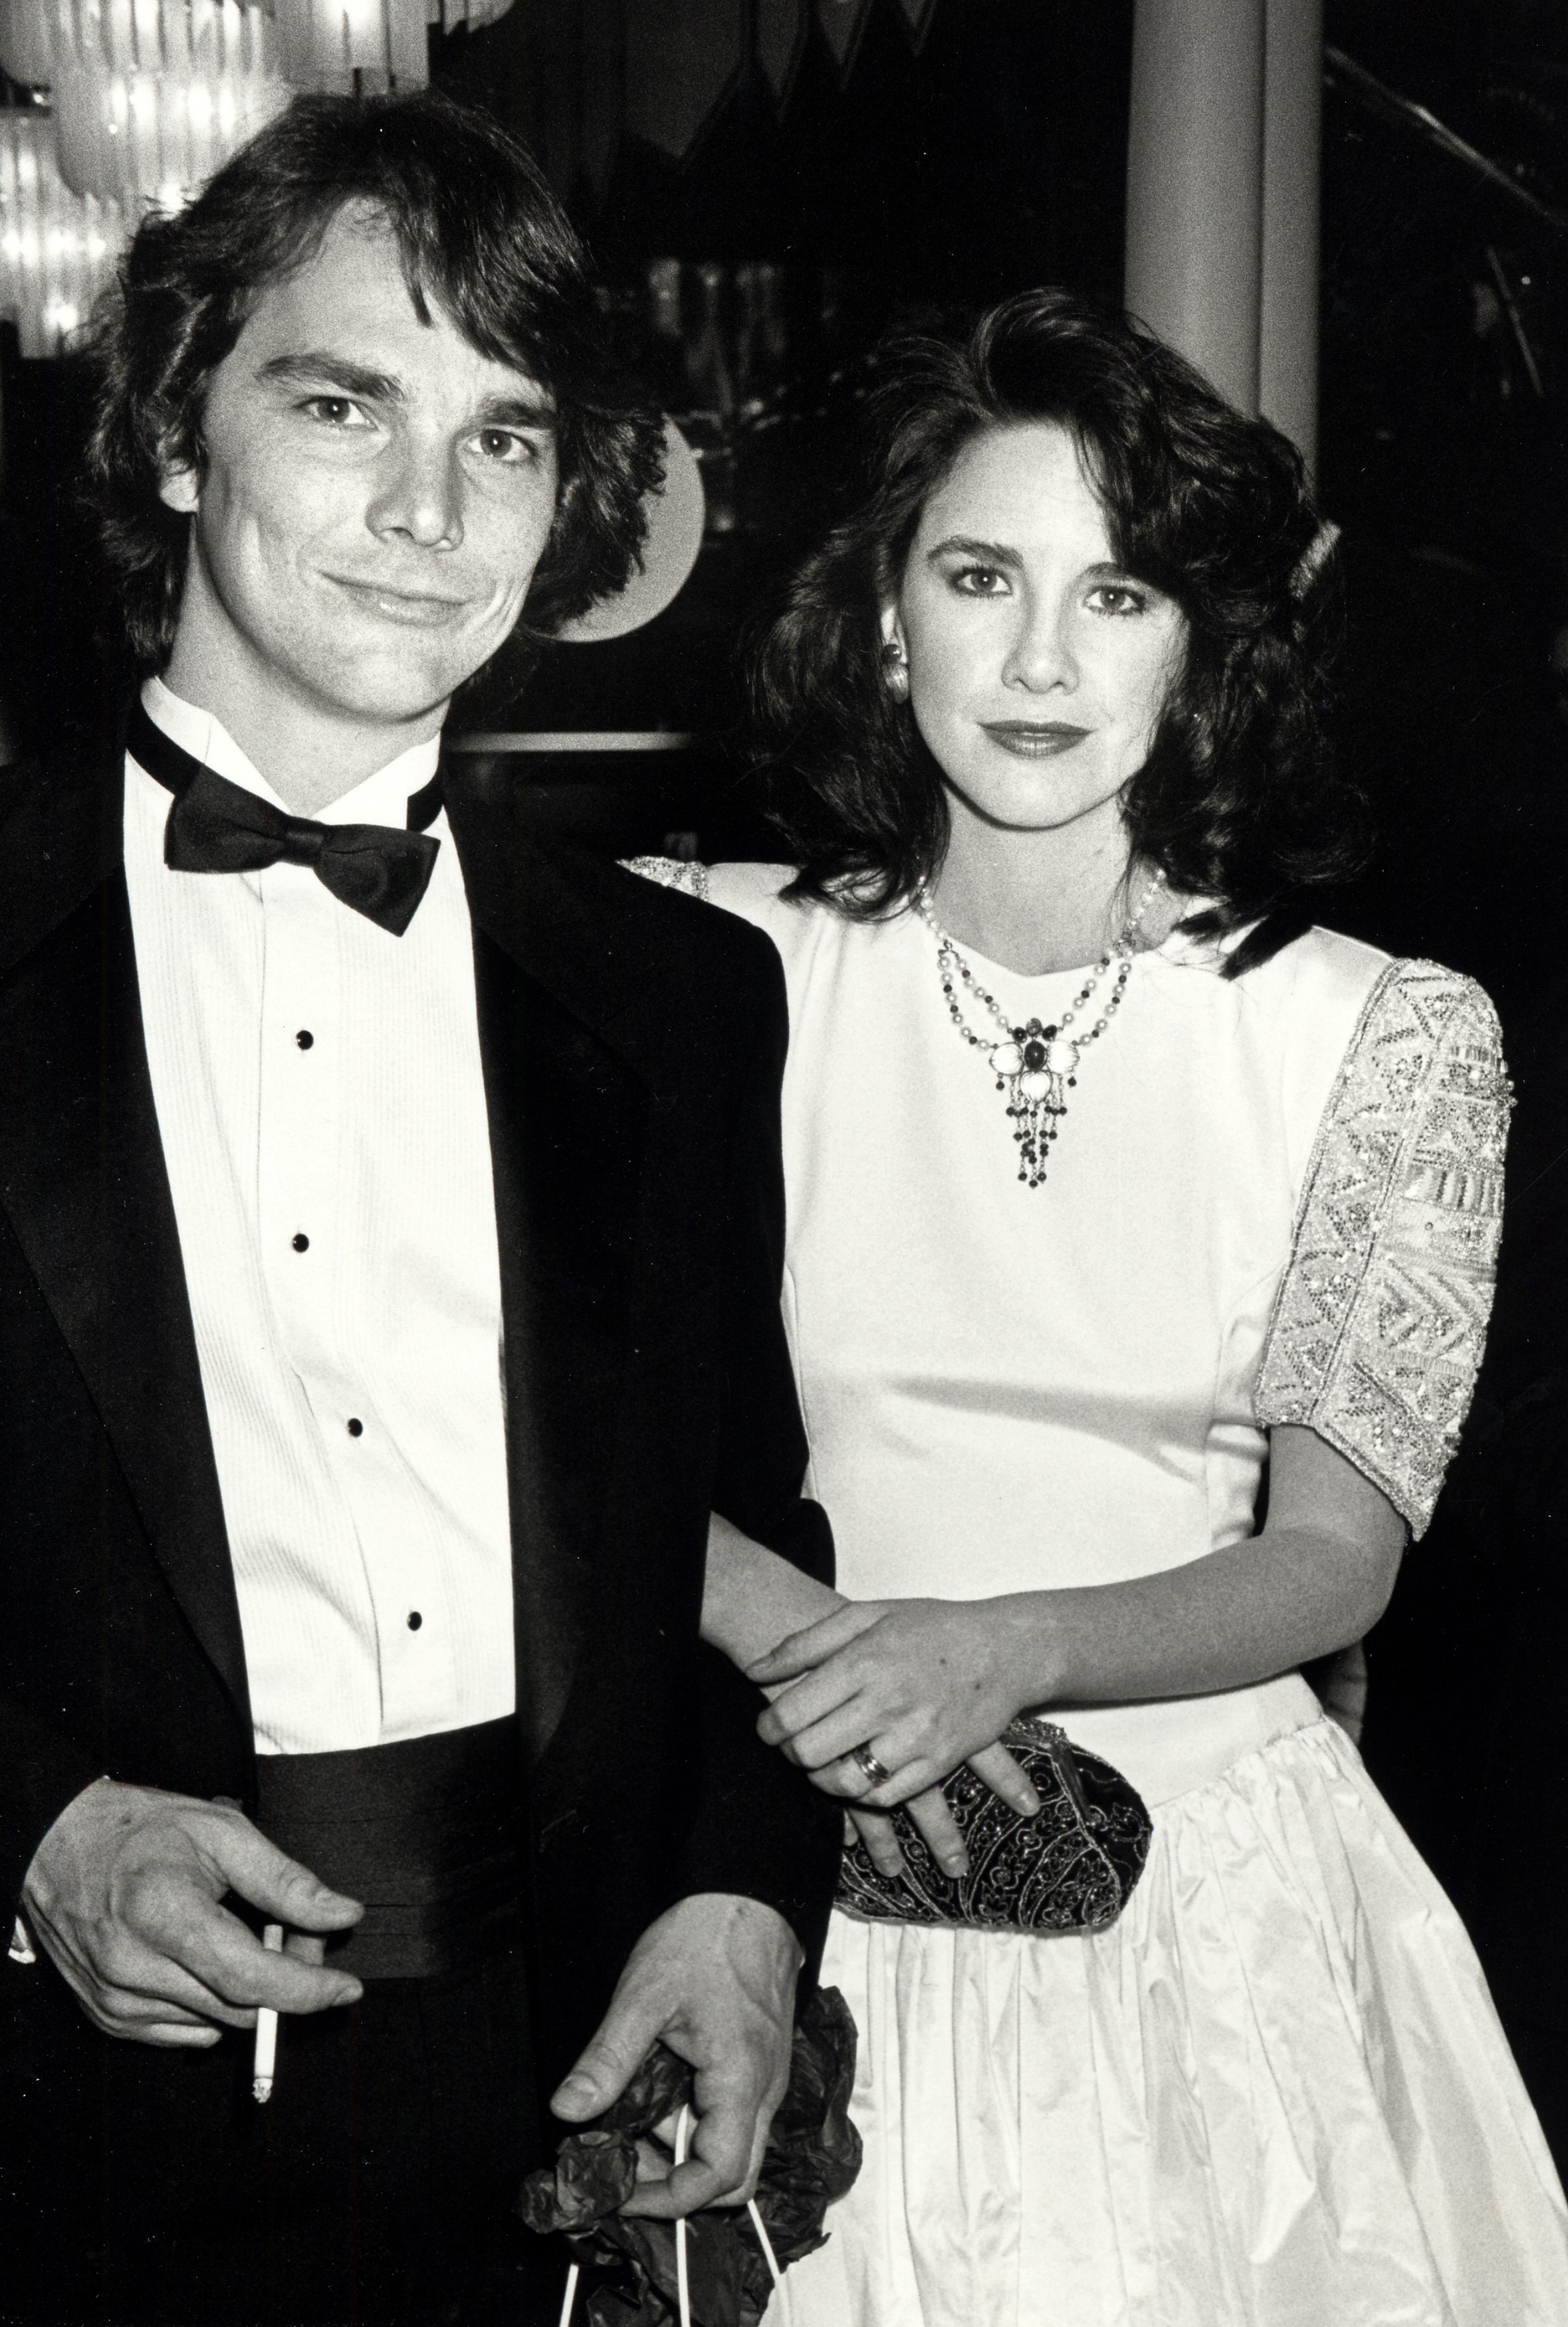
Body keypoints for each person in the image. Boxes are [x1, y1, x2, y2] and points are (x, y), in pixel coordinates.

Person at [636, 290, 1568, 2321]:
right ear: (890, 618)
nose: (1044, 660)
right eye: (982, 576)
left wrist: (1013, 1647)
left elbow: (1335, 1563)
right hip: (793, 1877)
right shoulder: (704, 965)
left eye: (1122, 591)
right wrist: (804, 1639)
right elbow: (536, 1420)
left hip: (1213, 1919)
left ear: (1205, 643)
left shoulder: (1375, 1033)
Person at [0, 89, 841, 2327]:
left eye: (504, 437)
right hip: (32, 2119)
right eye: (342, 399)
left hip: (536, 2107)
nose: (423, 512)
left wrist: (742, 1901)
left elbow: (746, 1524)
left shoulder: (685, 997)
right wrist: (37, 1830)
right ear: (181, 431)